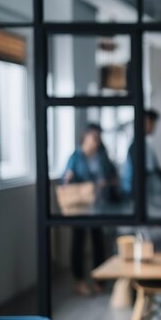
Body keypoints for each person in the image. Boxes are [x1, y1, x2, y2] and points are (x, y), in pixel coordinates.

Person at [63, 123, 119, 295]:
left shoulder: (102, 155)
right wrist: (69, 179)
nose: (96, 141)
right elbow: (66, 180)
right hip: (81, 207)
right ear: (85, 137)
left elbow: (113, 176)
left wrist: (106, 183)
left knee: (98, 242)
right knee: (78, 243)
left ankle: (99, 280)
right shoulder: (76, 157)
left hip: (99, 205)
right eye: (94, 138)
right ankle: (79, 280)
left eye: (98, 138)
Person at [121, 109, 161, 205]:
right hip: (142, 192)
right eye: (152, 123)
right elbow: (142, 172)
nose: (154, 127)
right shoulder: (136, 146)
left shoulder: (145, 144)